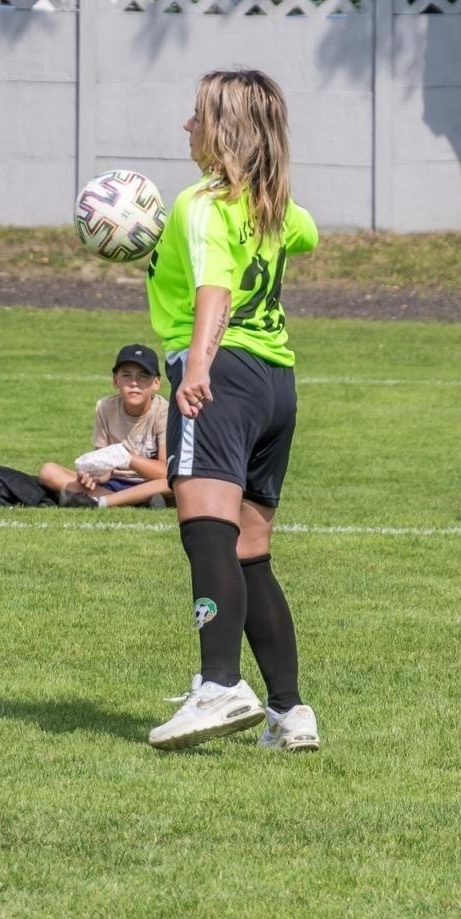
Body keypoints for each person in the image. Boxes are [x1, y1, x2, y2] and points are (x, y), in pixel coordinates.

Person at [143, 68, 321, 753]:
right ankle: (288, 712)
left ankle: (218, 685)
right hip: (277, 383)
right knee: (250, 549)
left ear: (221, 131)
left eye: (195, 116)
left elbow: (214, 288)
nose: (185, 127)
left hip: (223, 374)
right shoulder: (271, 204)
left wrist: (196, 367)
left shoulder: (199, 203)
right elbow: (304, 234)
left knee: (207, 531)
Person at [38, 343, 171, 509]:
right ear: (115, 380)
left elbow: (165, 472)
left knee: (173, 481)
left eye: (143, 376)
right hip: (114, 483)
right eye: (126, 375)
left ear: (156, 383)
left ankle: (103, 502)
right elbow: (104, 468)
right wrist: (92, 476)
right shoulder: (105, 407)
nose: (134, 383)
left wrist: (127, 458)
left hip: (151, 483)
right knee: (48, 471)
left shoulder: (164, 411)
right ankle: (135, 502)